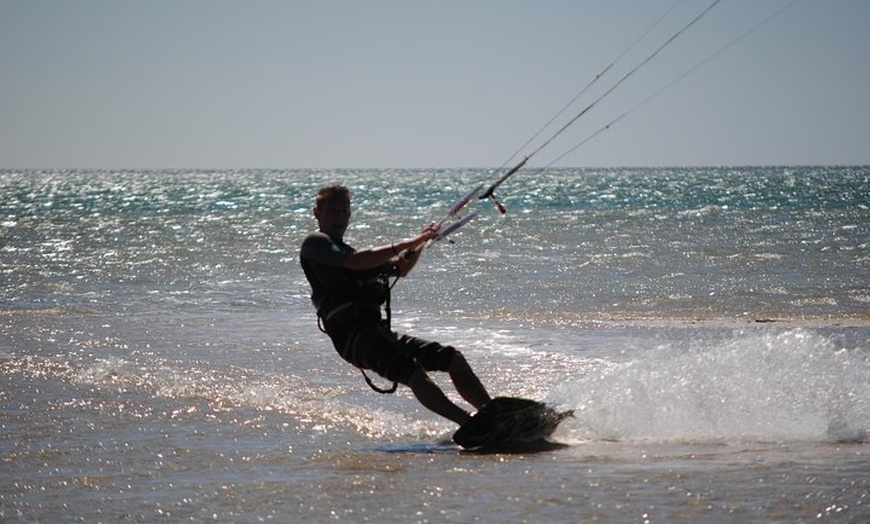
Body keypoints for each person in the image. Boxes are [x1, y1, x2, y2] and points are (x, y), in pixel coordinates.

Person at [299, 185, 491, 425]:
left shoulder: (353, 252)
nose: (338, 217)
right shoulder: (315, 243)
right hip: (354, 339)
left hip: (379, 333)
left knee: (451, 358)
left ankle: (492, 413)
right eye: (332, 211)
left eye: (343, 212)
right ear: (317, 213)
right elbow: (354, 263)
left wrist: (418, 246)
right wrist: (408, 242)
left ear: (349, 215)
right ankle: (470, 424)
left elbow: (400, 268)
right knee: (413, 373)